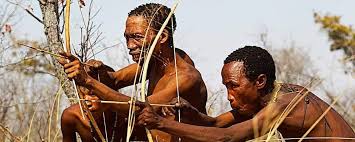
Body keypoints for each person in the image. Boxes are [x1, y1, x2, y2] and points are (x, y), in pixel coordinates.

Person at [137, 46, 355, 142]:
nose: (229, 96)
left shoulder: (286, 105)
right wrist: (191, 113)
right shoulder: (265, 98)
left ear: (259, 81)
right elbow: (215, 125)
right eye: (225, 88)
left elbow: (227, 137)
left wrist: (160, 123)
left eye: (234, 86)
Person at [59, 3, 208, 141]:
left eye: (137, 37)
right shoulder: (156, 61)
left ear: (162, 37)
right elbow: (115, 79)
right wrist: (94, 71)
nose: (130, 45)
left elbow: (138, 111)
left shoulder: (186, 78)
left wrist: (88, 81)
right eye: (127, 37)